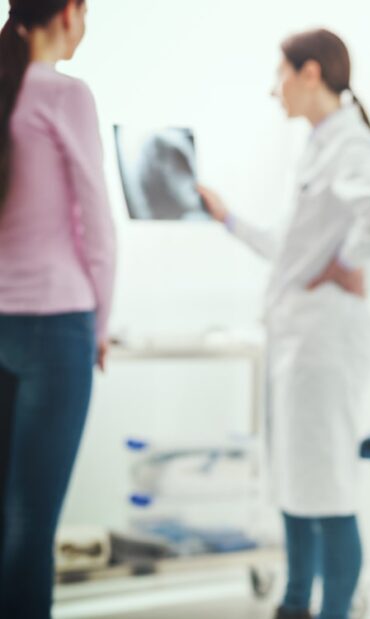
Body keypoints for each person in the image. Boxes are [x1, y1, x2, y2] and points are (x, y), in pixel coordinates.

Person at [198, 29, 370, 619]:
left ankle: (333, 609)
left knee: (329, 488)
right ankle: (294, 605)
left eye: (280, 75)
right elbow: (291, 250)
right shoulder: (321, 146)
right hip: (300, 341)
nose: (275, 90)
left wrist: (347, 263)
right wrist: (228, 218)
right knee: (295, 483)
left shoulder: (348, 144)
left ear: (310, 73)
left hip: (324, 344)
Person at [0, 1, 116, 617]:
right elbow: (94, 223)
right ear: (68, 12)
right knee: (30, 523)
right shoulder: (65, 94)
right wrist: (100, 324)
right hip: (56, 327)